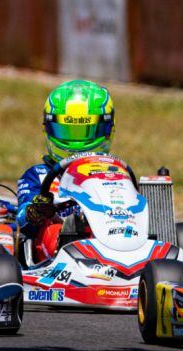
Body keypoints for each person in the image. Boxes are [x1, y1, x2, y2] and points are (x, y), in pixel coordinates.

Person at [16, 80, 114, 263]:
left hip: (111, 239)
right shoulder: (38, 175)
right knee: (58, 229)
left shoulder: (114, 172)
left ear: (107, 129)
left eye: (86, 132)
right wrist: (36, 211)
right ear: (49, 128)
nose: (76, 145)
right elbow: (22, 221)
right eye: (66, 131)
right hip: (59, 254)